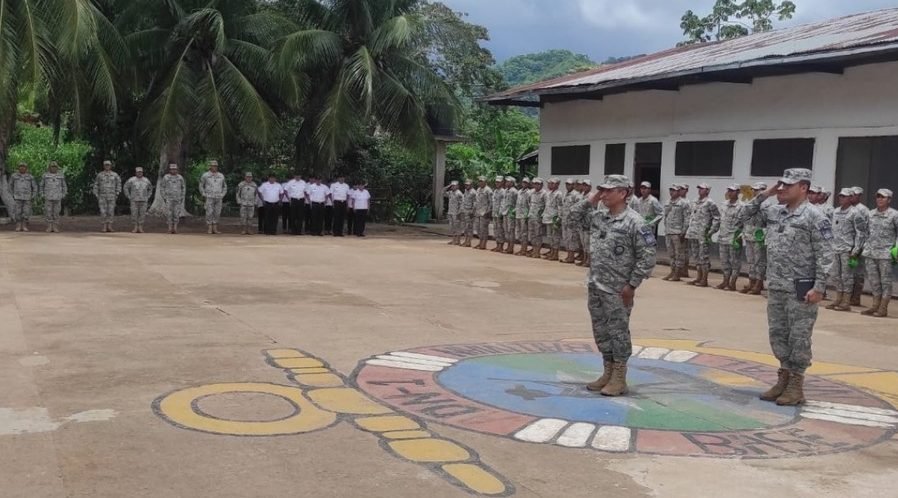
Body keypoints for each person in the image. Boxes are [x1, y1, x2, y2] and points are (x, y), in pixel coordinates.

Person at [737, 168, 833, 406]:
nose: (781, 189)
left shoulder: (815, 216)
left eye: (787, 185)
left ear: (803, 188)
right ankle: (783, 377)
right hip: (777, 285)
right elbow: (744, 215)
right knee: (778, 335)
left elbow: (825, 253)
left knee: (799, 338)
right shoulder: (775, 212)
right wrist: (764, 195)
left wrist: (820, 286)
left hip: (802, 288)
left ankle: (796, 385)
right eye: (780, 184)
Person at [570, 175, 657, 397]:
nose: (604, 194)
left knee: (618, 332)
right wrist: (592, 198)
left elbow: (647, 257)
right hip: (596, 285)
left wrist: (632, 285)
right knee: (601, 331)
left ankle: (619, 377)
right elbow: (572, 217)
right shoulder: (600, 218)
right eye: (602, 190)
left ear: (623, 193)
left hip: (619, 290)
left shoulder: (636, 222)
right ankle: (607, 371)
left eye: (609, 190)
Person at [825, 188, 867, 312]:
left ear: (850, 198)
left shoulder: (855, 213)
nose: (841, 198)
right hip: (835, 248)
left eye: (844, 196)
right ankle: (838, 298)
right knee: (835, 275)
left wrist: (856, 250)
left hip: (847, 249)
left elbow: (861, 233)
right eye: (840, 196)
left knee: (847, 276)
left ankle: (846, 301)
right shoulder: (836, 211)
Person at [861, 189, 897, 317]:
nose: (880, 199)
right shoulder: (870, 214)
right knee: (874, 281)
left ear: (889, 200)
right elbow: (865, 232)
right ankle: (874, 306)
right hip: (870, 253)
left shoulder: (894, 215)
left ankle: (883, 308)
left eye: (883, 197)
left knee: (885, 281)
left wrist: (896, 249)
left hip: (885, 254)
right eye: (878, 197)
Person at [740, 182, 774, 294]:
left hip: (760, 235)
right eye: (754, 190)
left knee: (760, 261)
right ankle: (752, 281)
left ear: (764, 190)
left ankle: (759, 284)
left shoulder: (768, 205)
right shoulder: (751, 202)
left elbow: (767, 221)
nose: (754, 192)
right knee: (751, 260)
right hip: (749, 234)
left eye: (757, 190)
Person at [685, 183, 720, 287]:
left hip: (703, 234)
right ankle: (698, 277)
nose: (700, 190)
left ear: (707, 191)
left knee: (703, 257)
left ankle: (704, 279)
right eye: (699, 188)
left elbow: (717, 218)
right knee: (696, 256)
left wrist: (711, 231)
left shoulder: (710, 203)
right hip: (693, 233)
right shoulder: (695, 201)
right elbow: (691, 216)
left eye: (702, 189)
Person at [716, 184, 744, 291]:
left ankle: (733, 283)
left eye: (733, 191)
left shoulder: (742, 206)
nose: (730, 193)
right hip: (723, 237)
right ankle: (725, 281)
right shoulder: (723, 204)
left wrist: (740, 236)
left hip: (734, 238)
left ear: (738, 192)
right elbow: (719, 220)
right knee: (724, 261)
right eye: (729, 191)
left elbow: (744, 223)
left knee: (735, 262)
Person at [662, 184, 690, 281]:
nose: (671, 192)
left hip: (678, 232)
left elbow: (687, 218)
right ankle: (672, 271)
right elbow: (665, 216)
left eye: (674, 190)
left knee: (679, 254)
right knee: (671, 253)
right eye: (670, 190)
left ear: (678, 192)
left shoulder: (683, 203)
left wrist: (683, 232)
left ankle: (678, 273)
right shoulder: (667, 202)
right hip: (669, 231)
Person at [848, 187, 870, 307]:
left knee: (857, 272)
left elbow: (865, 231)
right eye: (850, 195)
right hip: (849, 246)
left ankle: (856, 298)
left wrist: (859, 247)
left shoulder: (863, 210)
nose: (851, 197)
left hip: (859, 247)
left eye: (854, 195)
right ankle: (849, 296)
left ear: (859, 196)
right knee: (849, 271)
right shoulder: (849, 209)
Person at [93, 160, 122, 232]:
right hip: (102, 196)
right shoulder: (100, 175)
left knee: (111, 211)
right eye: (106, 165)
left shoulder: (115, 175)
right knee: (103, 212)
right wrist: (96, 194)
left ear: (110, 166)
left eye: (108, 165)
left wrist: (117, 193)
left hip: (112, 196)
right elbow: (96, 185)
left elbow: (119, 184)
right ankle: (104, 226)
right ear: (103, 166)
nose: (107, 166)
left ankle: (110, 226)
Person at [199, 160, 227, 234]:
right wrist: (203, 194)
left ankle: (215, 228)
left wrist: (222, 194)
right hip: (209, 196)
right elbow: (201, 185)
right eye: (213, 166)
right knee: (209, 212)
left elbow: (224, 186)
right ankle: (209, 228)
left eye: (215, 166)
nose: (214, 167)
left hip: (218, 197)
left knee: (217, 212)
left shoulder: (221, 176)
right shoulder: (205, 175)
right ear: (210, 166)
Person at [123, 167, 153, 233]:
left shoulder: (146, 180)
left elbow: (150, 189)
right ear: (136, 172)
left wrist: (148, 197)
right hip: (134, 200)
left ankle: (140, 227)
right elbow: (125, 187)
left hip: (143, 200)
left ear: (142, 172)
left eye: (141, 172)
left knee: (142, 214)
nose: (139, 173)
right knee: (134, 214)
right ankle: (135, 227)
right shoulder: (132, 180)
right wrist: (129, 196)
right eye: (138, 172)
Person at [40, 161, 67, 233]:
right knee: (48, 211)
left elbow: (64, 186)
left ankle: (55, 226)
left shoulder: (61, 176)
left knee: (56, 212)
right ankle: (49, 226)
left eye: (55, 167)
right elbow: (41, 185)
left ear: (57, 168)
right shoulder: (45, 175)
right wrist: (42, 194)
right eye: (52, 167)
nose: (53, 168)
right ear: (49, 168)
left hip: (57, 197)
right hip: (48, 196)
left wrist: (63, 194)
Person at [10, 162, 38, 232]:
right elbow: (10, 185)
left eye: (24, 167)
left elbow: (34, 187)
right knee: (17, 211)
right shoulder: (14, 176)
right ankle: (18, 225)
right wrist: (12, 194)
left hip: (27, 197)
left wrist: (33, 195)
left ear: (26, 168)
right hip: (17, 196)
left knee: (26, 211)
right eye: (20, 166)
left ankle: (24, 225)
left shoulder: (30, 177)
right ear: (18, 168)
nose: (22, 168)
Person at [160, 164, 186, 234]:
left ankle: (175, 228)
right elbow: (162, 187)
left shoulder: (180, 178)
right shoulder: (166, 177)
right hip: (169, 198)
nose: (173, 170)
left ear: (177, 170)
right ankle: (169, 228)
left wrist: (182, 196)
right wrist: (164, 197)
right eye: (172, 169)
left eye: (175, 169)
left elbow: (183, 187)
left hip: (177, 198)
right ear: (170, 170)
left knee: (176, 214)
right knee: (169, 213)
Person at [561, 179, 582, 264]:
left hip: (572, 222)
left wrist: (575, 219)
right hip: (565, 220)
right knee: (566, 238)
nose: (567, 186)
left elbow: (579, 208)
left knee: (571, 239)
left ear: (573, 185)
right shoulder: (566, 194)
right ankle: (568, 256)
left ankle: (571, 257)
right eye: (566, 184)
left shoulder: (576, 195)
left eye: (569, 184)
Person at [542, 178, 564, 261]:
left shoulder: (559, 194)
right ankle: (551, 252)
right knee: (550, 237)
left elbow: (560, 207)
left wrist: (559, 218)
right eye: (549, 183)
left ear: (557, 184)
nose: (550, 185)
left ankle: (555, 254)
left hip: (554, 218)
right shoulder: (548, 193)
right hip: (548, 217)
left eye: (552, 183)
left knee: (556, 237)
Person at [527, 178, 547, 258]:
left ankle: (537, 252)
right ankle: (534, 250)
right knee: (532, 234)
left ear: (542, 185)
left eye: (538, 184)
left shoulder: (544, 193)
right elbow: (529, 202)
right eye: (535, 184)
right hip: (531, 216)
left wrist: (543, 215)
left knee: (538, 234)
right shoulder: (531, 192)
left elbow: (546, 205)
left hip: (538, 217)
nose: (536, 185)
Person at [473, 176, 492, 250]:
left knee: (484, 229)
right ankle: (480, 242)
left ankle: (483, 243)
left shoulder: (488, 190)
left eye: (482, 181)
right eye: (479, 181)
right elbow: (476, 201)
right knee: (477, 228)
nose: (480, 182)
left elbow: (491, 202)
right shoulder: (478, 189)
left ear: (485, 182)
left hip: (484, 212)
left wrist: (488, 212)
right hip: (478, 212)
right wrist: (474, 210)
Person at [576, 180, 592, 267]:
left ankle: (589, 261)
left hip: (588, 223)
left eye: (586, 186)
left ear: (590, 187)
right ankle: (584, 259)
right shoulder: (582, 195)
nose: (585, 187)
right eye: (584, 185)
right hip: (581, 222)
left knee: (588, 243)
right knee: (583, 242)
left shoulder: (591, 196)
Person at [514, 178, 531, 256]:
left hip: (524, 215)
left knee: (524, 233)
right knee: (519, 232)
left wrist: (528, 215)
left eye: (526, 182)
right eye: (523, 182)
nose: (524, 184)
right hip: (518, 214)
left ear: (528, 184)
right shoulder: (519, 192)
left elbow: (530, 205)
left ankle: (524, 250)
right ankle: (521, 249)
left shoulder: (529, 193)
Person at [502, 177, 518, 254]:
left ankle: (511, 247)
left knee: (511, 230)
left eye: (508, 182)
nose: (506, 183)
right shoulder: (505, 191)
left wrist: (514, 212)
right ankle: (508, 246)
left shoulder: (514, 191)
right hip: (505, 212)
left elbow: (517, 203)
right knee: (506, 230)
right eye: (506, 181)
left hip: (511, 213)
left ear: (512, 183)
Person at [444, 181, 463, 245]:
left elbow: (462, 204)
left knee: (457, 226)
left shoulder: (459, 193)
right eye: (452, 186)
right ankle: (453, 240)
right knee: (452, 226)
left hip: (456, 212)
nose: (453, 187)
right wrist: (448, 186)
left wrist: (459, 212)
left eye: (454, 185)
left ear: (457, 186)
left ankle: (458, 241)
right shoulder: (450, 193)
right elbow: (442, 192)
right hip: (451, 212)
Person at [490, 176, 506, 252]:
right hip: (494, 213)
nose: (497, 183)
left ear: (502, 182)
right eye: (496, 182)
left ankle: (501, 246)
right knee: (496, 230)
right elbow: (493, 202)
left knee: (500, 230)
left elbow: (503, 203)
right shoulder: (495, 191)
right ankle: (497, 245)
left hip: (499, 214)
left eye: (499, 182)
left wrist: (501, 213)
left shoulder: (503, 191)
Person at [460, 180, 476, 247]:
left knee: (469, 227)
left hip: (470, 211)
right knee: (465, 227)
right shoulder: (466, 191)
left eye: (468, 185)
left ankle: (468, 242)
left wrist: (473, 212)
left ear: (471, 185)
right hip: (465, 211)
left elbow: (475, 203)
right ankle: (466, 240)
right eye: (466, 185)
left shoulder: (473, 192)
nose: (466, 186)